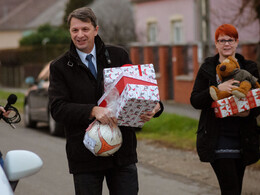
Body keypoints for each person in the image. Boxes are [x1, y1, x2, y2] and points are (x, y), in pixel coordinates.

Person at [48, 7, 163, 195]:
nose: (80, 35)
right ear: (69, 32)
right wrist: (92, 111)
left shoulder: (118, 55)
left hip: (122, 154)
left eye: (85, 29)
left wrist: (155, 107)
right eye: (74, 30)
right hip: (85, 156)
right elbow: (57, 108)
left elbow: (140, 89)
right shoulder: (60, 67)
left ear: (96, 29)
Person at [190, 24, 260, 195]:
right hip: (217, 137)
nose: (226, 44)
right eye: (222, 40)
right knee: (230, 188)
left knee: (236, 187)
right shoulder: (207, 68)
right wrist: (219, 89)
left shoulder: (249, 67)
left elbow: (258, 98)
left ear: (236, 43)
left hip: (243, 137)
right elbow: (195, 100)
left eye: (230, 40)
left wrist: (250, 112)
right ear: (216, 44)